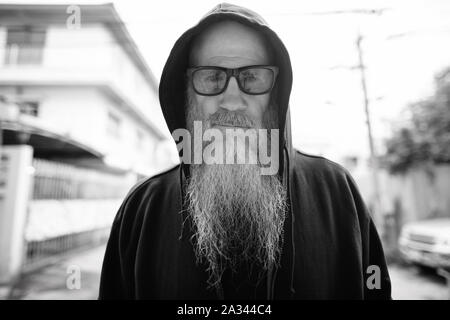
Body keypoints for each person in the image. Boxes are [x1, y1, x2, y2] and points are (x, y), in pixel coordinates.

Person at [99, 3, 392, 300]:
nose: (232, 100)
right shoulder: (143, 208)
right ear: (186, 90)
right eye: (212, 78)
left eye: (252, 78)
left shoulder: (336, 192)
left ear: (276, 93)